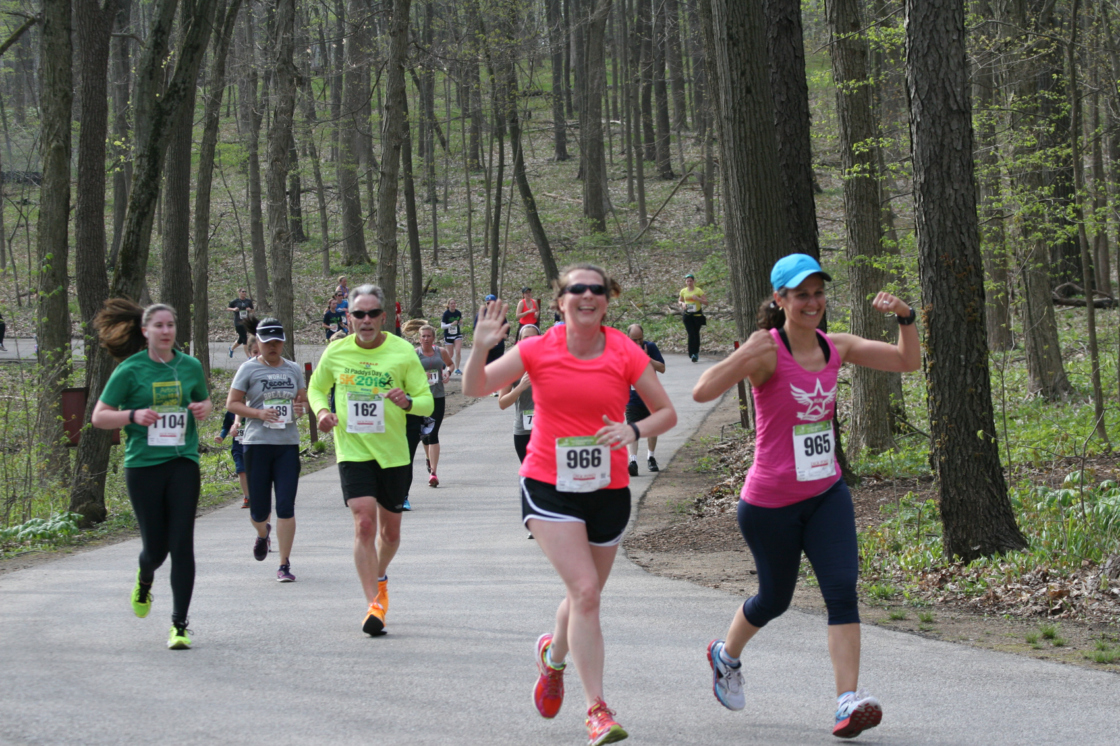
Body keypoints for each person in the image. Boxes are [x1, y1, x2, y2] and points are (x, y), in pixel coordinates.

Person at [692, 254, 920, 739]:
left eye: (818, 292)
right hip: (769, 504)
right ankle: (725, 656)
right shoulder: (766, 352)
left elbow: (907, 361)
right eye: (801, 295)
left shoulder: (835, 346)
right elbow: (701, 390)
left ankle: (846, 702)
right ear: (780, 300)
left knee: (842, 592)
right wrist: (745, 353)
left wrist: (906, 318)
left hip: (825, 493)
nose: (812, 302)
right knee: (774, 600)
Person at [464, 264, 678, 746]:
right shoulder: (539, 347)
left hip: (608, 489)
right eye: (575, 289)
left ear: (607, 299)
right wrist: (480, 347)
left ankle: (553, 658)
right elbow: (474, 388)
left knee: (584, 597)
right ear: (559, 301)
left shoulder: (624, 349)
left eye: (596, 290)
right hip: (548, 484)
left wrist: (634, 430)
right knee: (585, 592)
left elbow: (667, 412)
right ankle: (597, 710)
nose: (587, 296)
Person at [307, 284, 434, 636]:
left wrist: (408, 402)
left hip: (393, 453)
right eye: (358, 314)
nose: (365, 320)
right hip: (353, 449)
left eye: (372, 314)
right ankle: (373, 605)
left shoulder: (402, 352)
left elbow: (426, 401)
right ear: (348, 318)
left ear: (383, 317)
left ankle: (380, 574)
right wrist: (321, 411)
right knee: (364, 522)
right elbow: (317, 388)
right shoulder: (335, 352)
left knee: (390, 534)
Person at [90, 299, 212, 650]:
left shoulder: (190, 366)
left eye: (170, 325)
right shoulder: (130, 370)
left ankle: (179, 624)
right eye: (158, 326)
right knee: (155, 551)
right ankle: (145, 579)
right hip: (143, 465)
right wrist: (133, 416)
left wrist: (204, 408)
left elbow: (203, 402)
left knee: (182, 545)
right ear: (145, 331)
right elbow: (100, 416)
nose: (165, 331)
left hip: (182, 463)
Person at [226, 317, 308, 582]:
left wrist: (300, 409)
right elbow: (232, 404)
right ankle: (263, 533)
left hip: (286, 445)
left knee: (286, 505)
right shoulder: (248, 369)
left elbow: (302, 403)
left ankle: (284, 564)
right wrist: (258, 413)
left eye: (277, 342)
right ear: (258, 343)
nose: (272, 347)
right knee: (259, 510)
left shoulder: (294, 369)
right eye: (267, 342)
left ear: (283, 342)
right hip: (257, 444)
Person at [412, 325, 453, 487]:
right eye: (423, 336)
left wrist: (447, 373)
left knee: (434, 432)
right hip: (421, 398)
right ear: (419, 338)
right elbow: (408, 373)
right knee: (424, 433)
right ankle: (429, 458)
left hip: (438, 397)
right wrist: (421, 375)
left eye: (429, 336)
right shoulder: (415, 354)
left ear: (433, 338)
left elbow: (450, 364)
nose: (426, 339)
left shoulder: (440, 352)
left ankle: (433, 473)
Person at [624, 324, 666, 476]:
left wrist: (646, 358)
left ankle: (651, 457)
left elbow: (662, 368)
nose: (637, 343)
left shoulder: (651, 347)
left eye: (640, 339)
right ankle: (633, 461)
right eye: (634, 340)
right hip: (632, 397)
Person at [497, 324, 540, 463]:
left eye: (533, 338)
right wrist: (520, 387)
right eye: (525, 338)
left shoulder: (551, 364)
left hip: (549, 429)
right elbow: (502, 403)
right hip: (524, 430)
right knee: (530, 477)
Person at [215, 410, 249, 509]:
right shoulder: (231, 412)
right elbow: (226, 427)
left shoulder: (254, 407)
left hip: (254, 445)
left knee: (254, 472)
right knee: (241, 471)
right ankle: (247, 497)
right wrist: (221, 437)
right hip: (238, 447)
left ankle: (258, 495)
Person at [678, 273, 708, 362]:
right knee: (691, 334)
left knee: (696, 334)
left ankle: (696, 353)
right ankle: (692, 354)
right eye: (687, 281)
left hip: (697, 316)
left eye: (691, 281)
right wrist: (682, 304)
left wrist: (698, 299)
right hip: (687, 316)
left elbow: (706, 302)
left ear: (693, 281)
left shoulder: (698, 291)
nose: (689, 282)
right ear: (685, 282)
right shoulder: (683, 291)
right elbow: (679, 300)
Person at [226, 289, 255, 358]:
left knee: (242, 338)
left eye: (245, 292)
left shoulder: (248, 301)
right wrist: (234, 309)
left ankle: (231, 348)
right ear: (239, 293)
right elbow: (228, 308)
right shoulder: (235, 301)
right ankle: (249, 357)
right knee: (244, 338)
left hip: (246, 322)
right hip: (238, 322)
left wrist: (249, 310)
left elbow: (253, 310)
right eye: (243, 292)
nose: (244, 293)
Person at [441, 299, 464, 374]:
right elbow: (442, 326)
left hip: (457, 334)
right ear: (449, 305)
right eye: (451, 303)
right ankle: (442, 365)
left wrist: (460, 323)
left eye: (454, 303)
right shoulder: (446, 314)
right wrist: (451, 324)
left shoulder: (458, 313)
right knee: (450, 354)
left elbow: (460, 324)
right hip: (448, 335)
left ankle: (457, 369)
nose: (453, 305)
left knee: (458, 351)